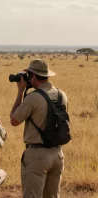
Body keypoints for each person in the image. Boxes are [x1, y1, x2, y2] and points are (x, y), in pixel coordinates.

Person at [10, 59, 68, 198]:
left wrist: (20, 92)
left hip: (38, 156)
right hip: (57, 155)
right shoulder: (62, 95)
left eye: (29, 75)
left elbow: (14, 120)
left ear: (34, 76)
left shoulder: (33, 97)